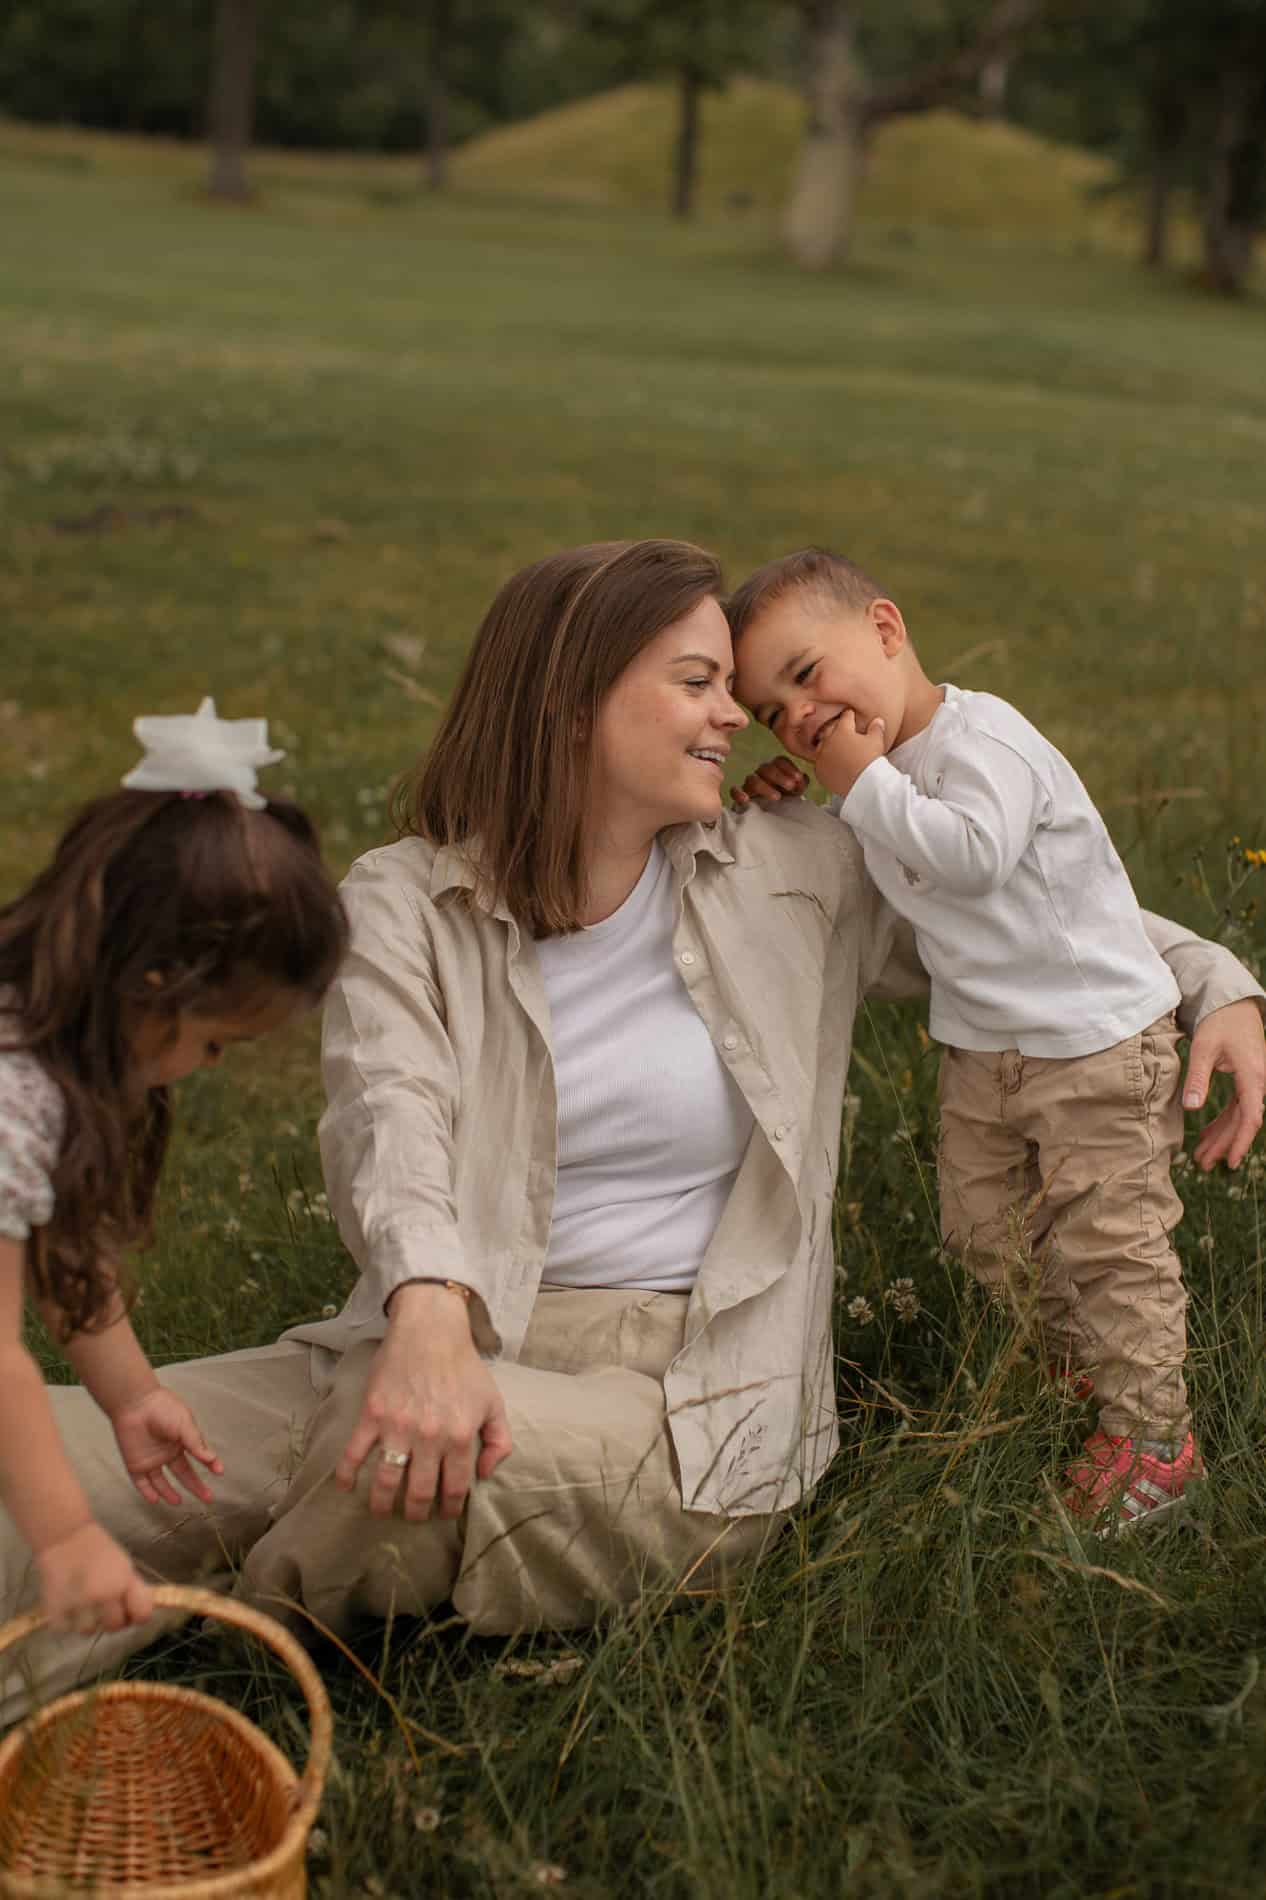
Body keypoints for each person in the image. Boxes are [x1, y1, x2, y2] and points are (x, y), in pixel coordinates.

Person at [1, 544, 1261, 1723]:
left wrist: (1219, 984)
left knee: (376, 1445)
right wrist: (427, 1315)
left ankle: (221, 1650)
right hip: (448, 1325)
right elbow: (390, 1117)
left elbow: (1044, 919)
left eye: (738, 693)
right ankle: (132, 1585)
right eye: (701, 684)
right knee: (60, 1459)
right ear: (569, 704)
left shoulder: (790, 873)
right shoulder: (406, 898)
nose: (740, 720)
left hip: (684, 1392)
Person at [726, 546, 1265, 1531]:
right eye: (773, 711)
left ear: (885, 630)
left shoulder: (986, 741)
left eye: (806, 674)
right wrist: (804, 806)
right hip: (986, 1050)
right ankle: (1086, 1368)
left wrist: (860, 782)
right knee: (980, 1232)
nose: (800, 716)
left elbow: (970, 858)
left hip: (1096, 1042)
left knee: (1114, 1243)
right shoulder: (878, 775)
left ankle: (1155, 1440)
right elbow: (877, 865)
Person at [0, 698, 348, 1637]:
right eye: (215, 1040)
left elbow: (66, 1251)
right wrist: (66, 1537)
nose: (209, 1067)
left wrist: (133, 1396)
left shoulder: (45, 1035)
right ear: (156, 983)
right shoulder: (11, 1102)